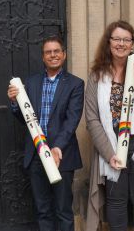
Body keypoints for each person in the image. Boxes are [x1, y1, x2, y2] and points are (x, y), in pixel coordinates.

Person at [85, 20, 134, 231]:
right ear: (108, 42)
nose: (121, 43)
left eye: (126, 39)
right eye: (116, 39)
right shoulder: (96, 76)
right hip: (110, 145)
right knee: (116, 200)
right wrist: (109, 153)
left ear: (132, 44)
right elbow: (91, 119)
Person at [7, 35, 84, 231]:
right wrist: (15, 103)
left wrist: (57, 147)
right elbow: (26, 120)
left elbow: (72, 120)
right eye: (48, 52)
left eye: (56, 51)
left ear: (64, 55)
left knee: (63, 211)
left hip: (62, 155)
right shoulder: (31, 83)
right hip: (35, 156)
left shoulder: (75, 84)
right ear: (43, 57)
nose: (53, 55)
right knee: (43, 211)